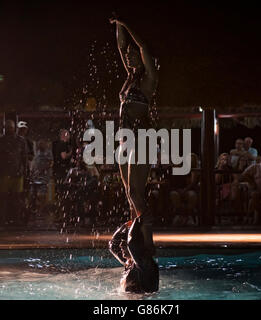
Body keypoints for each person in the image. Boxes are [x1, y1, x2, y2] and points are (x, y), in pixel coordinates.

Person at [110, 16, 159, 292]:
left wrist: (127, 22)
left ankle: (148, 241)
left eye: (132, 55)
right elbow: (120, 47)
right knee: (129, 195)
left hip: (142, 138)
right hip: (125, 141)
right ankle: (134, 237)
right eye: (127, 56)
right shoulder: (129, 79)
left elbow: (141, 47)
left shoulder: (150, 78)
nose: (128, 57)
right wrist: (117, 25)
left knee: (136, 193)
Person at [0, 120, 28, 227]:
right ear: (4, 128)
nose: (9, 130)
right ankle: (3, 218)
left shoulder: (20, 141)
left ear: (14, 128)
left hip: (17, 173)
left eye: (11, 128)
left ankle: (16, 219)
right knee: (3, 198)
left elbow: (24, 157)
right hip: (3, 173)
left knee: (16, 197)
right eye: (7, 128)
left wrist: (24, 170)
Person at [109, 218, 159, 293]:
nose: (120, 245)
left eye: (124, 242)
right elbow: (113, 245)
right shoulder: (129, 262)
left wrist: (137, 220)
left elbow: (132, 244)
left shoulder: (144, 264)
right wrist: (124, 226)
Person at [169, 153, 200, 227]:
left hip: (185, 190)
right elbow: (169, 184)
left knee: (192, 195)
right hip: (175, 190)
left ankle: (188, 216)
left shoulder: (185, 170)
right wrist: (177, 190)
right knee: (174, 195)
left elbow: (189, 183)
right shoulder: (170, 171)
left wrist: (185, 190)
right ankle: (179, 215)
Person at [52, 129, 73, 194]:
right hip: (62, 169)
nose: (69, 136)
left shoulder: (56, 144)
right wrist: (70, 153)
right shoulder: (62, 144)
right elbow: (63, 156)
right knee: (62, 186)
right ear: (64, 135)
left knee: (58, 185)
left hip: (57, 168)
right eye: (68, 134)